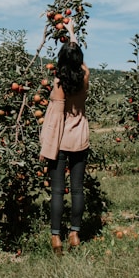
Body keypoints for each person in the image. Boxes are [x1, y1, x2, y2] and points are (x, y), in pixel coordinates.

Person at [39, 18, 90, 255]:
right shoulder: (85, 76)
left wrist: (46, 147)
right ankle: (75, 233)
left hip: (60, 142)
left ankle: (56, 238)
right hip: (80, 139)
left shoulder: (58, 84)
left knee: (58, 191)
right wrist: (72, 34)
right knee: (77, 190)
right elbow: (76, 60)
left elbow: (54, 121)